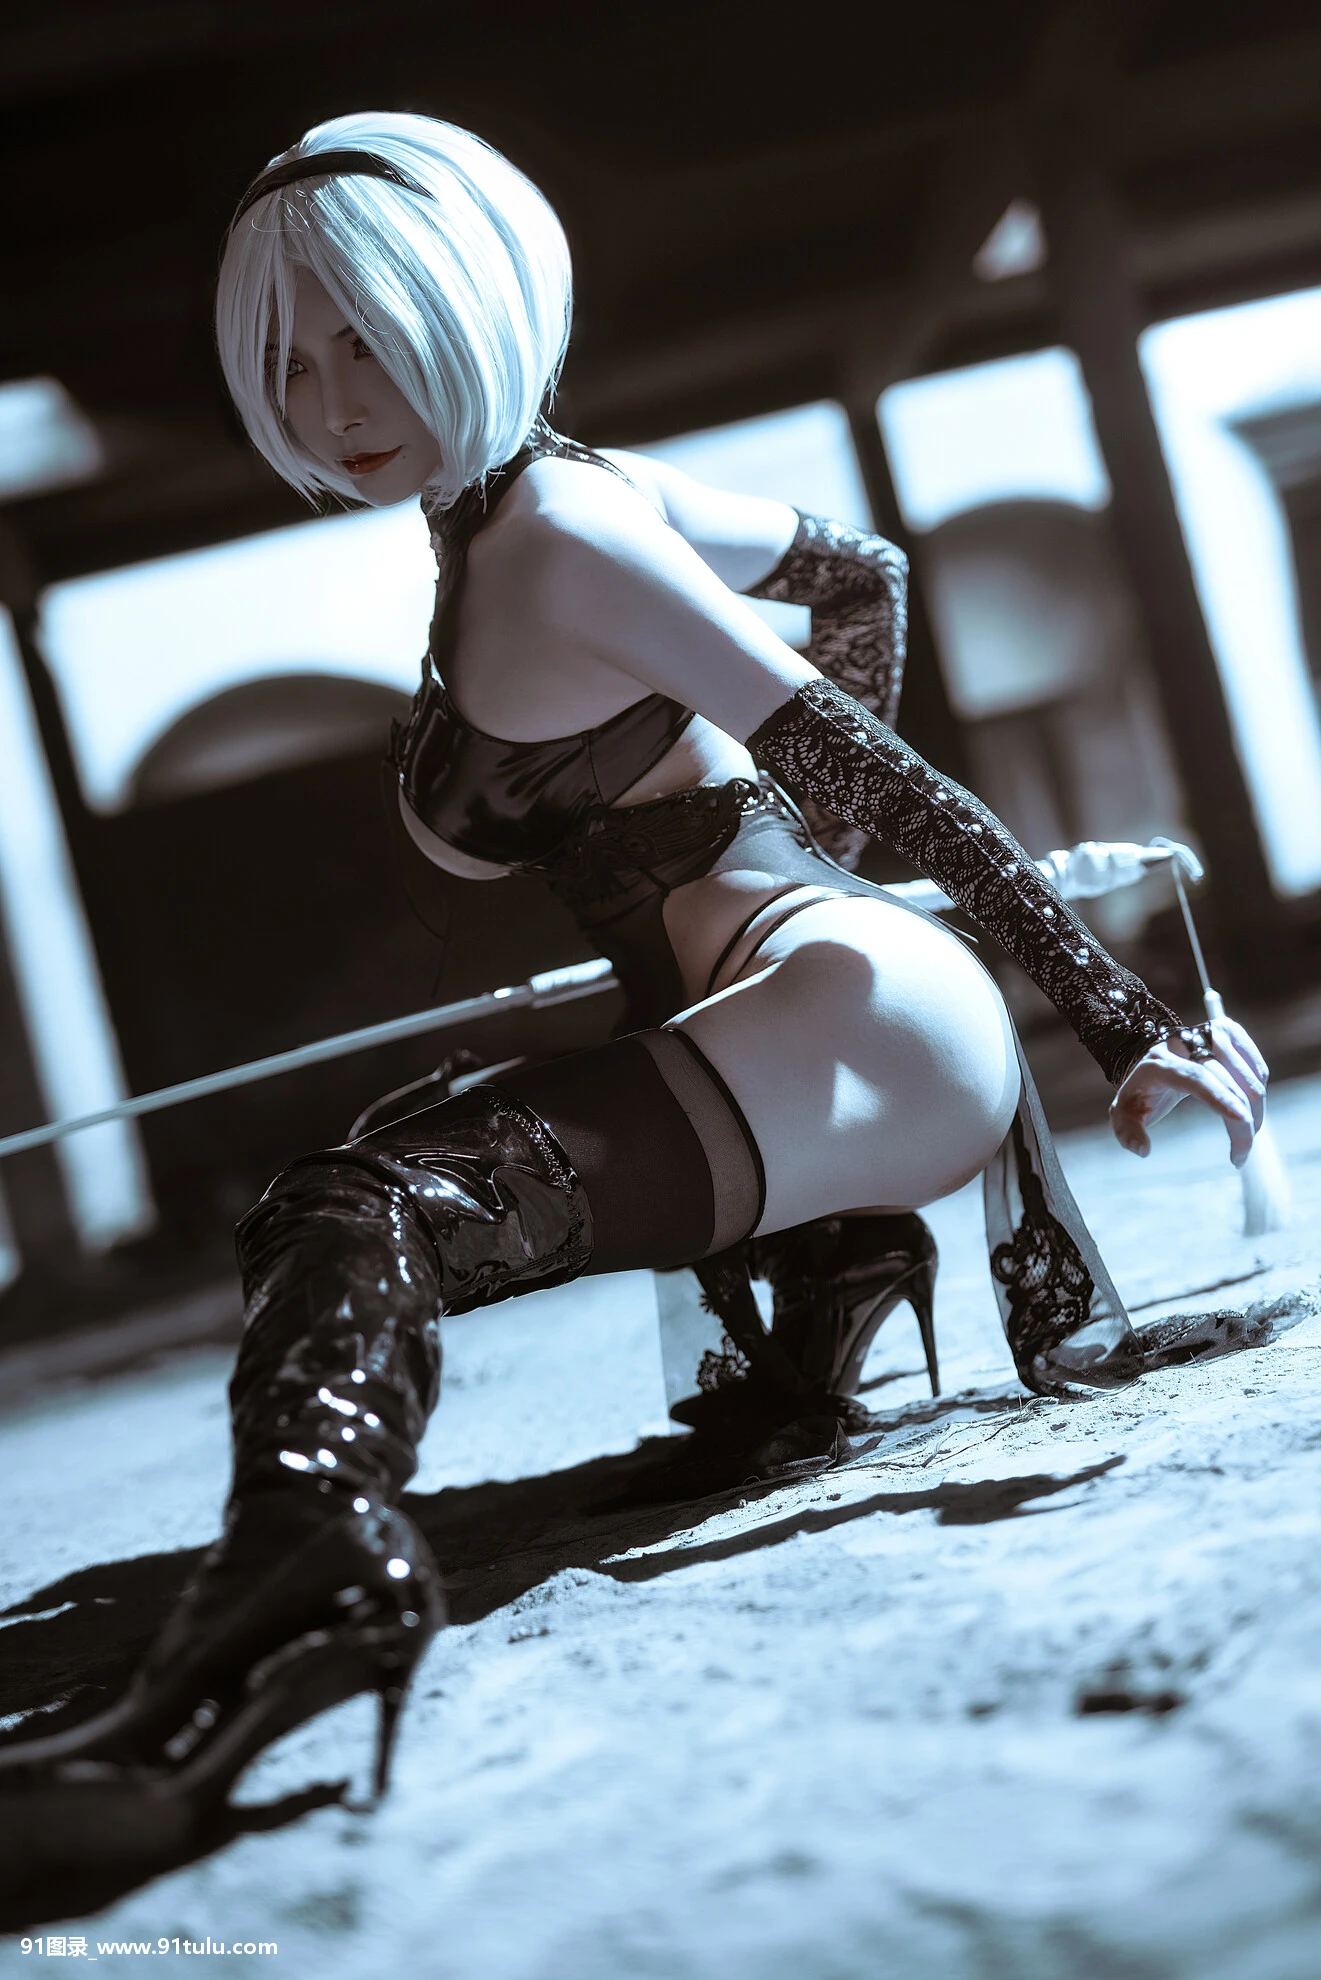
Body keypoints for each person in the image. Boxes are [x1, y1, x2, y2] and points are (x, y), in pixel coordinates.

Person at [0, 111, 1268, 1869]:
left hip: (852, 1013)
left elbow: (873, 768)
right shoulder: (552, 499)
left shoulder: (562, 536)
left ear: (467, 304)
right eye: (288, 361)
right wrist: (785, 860)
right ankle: (825, 1290)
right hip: (806, 1009)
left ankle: (305, 1577)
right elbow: (860, 575)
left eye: (371, 338)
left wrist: (1119, 1020)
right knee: (403, 1150)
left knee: (352, 1204)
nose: (334, 400)